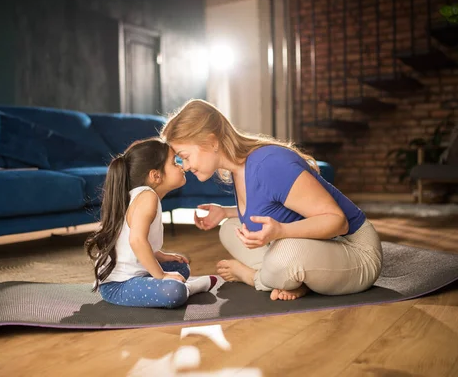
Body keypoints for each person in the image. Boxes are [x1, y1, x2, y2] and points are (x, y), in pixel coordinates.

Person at [160, 99, 382, 301]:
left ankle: (258, 278)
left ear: (211, 142)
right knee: (230, 229)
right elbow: (270, 205)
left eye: (185, 157)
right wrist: (226, 212)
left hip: (355, 250)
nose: (185, 166)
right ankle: (293, 279)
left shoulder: (269, 164)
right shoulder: (238, 170)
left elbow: (337, 222)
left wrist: (281, 232)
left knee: (285, 254)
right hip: (320, 247)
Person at [85, 137, 217, 308]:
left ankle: (176, 282)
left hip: (134, 274)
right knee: (173, 292)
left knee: (181, 267)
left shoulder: (142, 196)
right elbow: (136, 241)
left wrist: (160, 255)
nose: (182, 166)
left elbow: (128, 244)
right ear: (156, 175)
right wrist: (160, 276)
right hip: (117, 286)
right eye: (174, 162)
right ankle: (188, 288)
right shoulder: (147, 197)